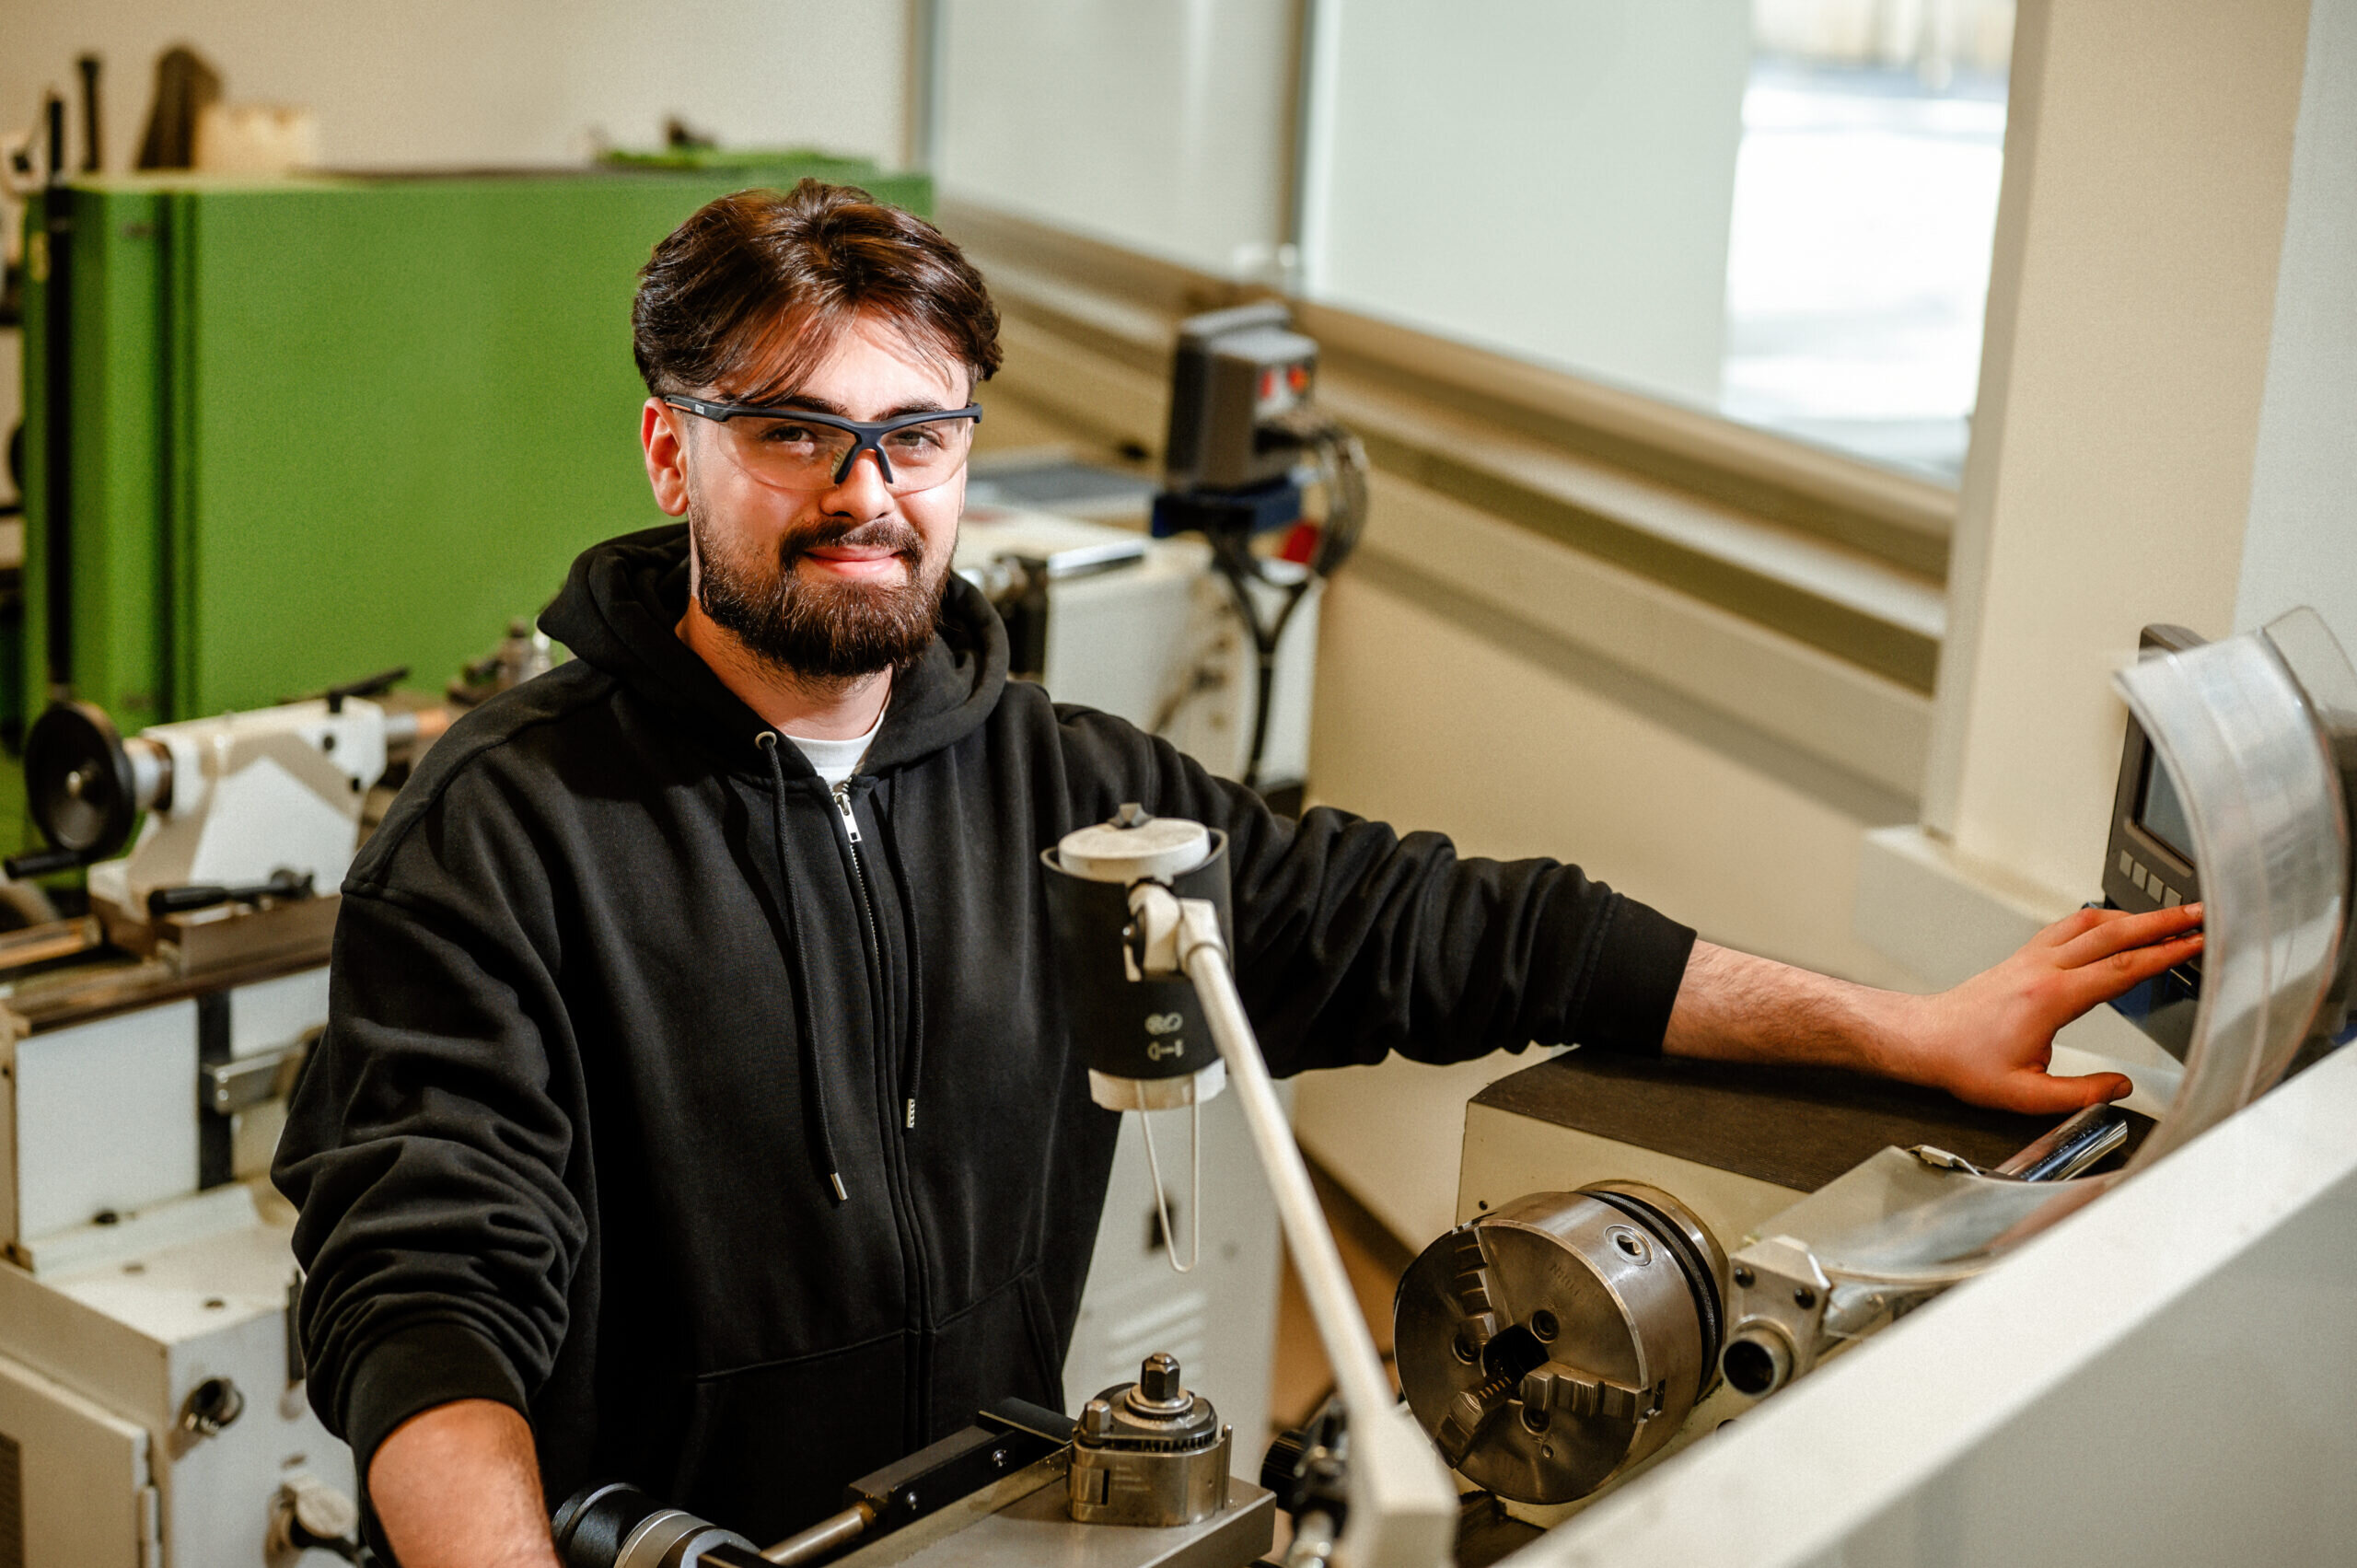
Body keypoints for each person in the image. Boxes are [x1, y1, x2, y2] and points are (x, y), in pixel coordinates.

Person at [274, 180, 2202, 1568]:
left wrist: (1901, 1026)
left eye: (915, 433)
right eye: (793, 432)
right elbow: (427, 1287)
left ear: (964, 455)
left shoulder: (1079, 795)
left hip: (996, 1526)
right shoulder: (508, 834)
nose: (864, 492)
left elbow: (1459, 931)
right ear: (666, 452)